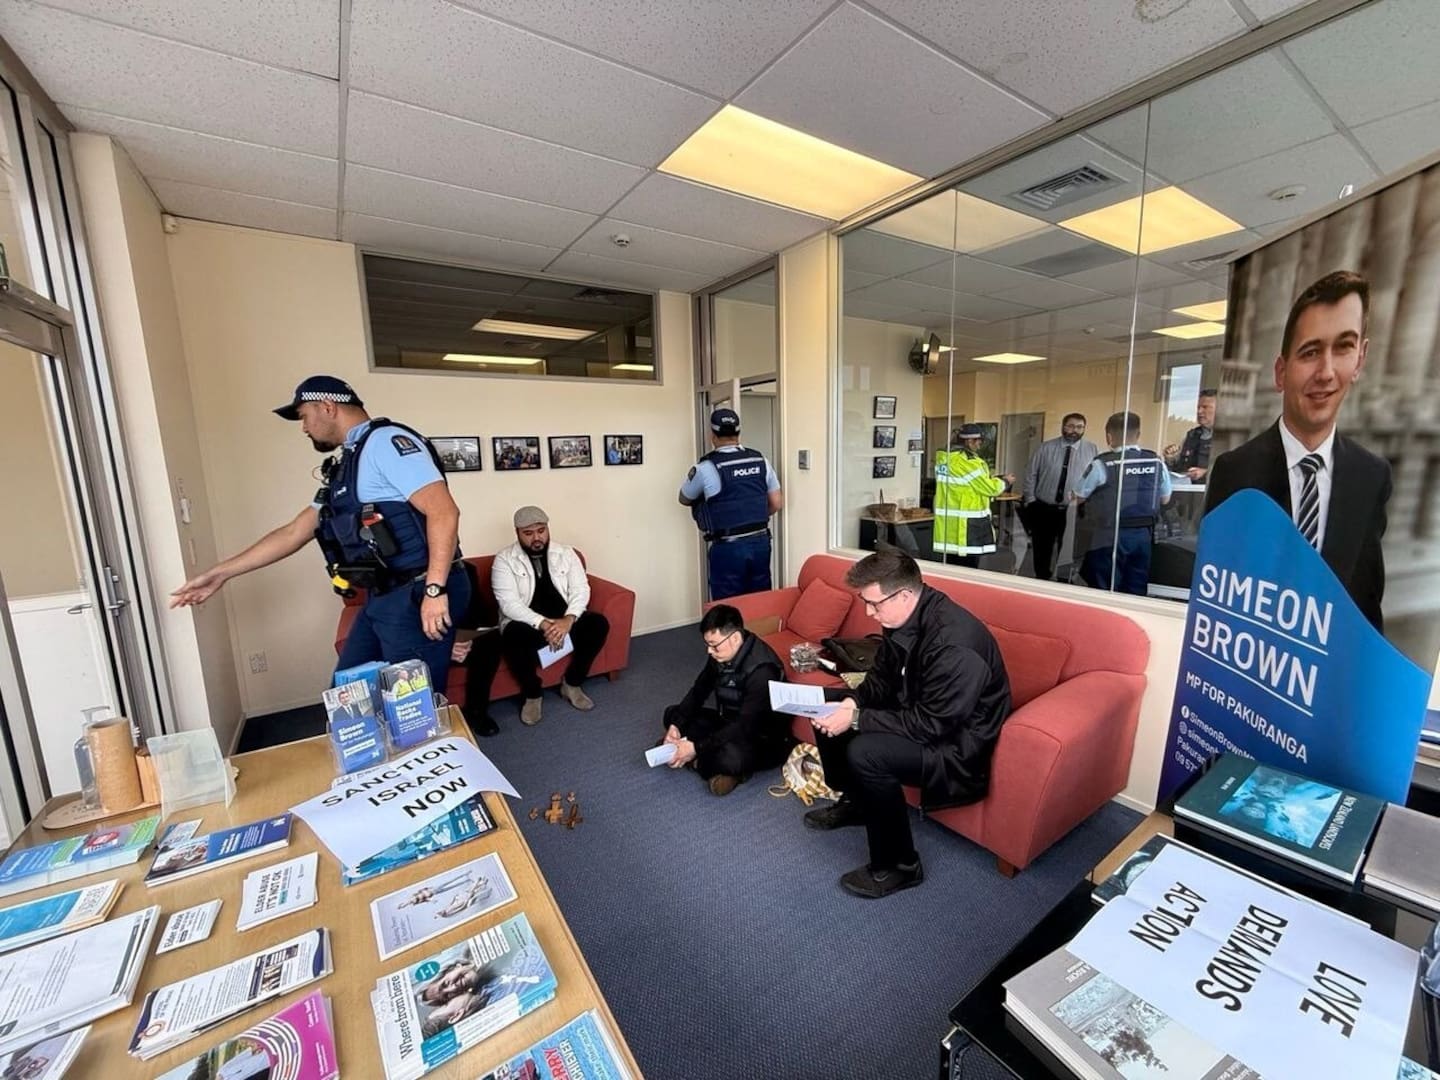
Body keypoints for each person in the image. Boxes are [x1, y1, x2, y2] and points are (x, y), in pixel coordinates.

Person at [170, 375, 469, 690]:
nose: (303, 427)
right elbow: (294, 532)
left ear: (327, 406)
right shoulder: (347, 466)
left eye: (303, 416)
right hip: (384, 594)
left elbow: (444, 511)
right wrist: (220, 574)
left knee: (412, 706)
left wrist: (434, 591)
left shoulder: (385, 443)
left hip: (419, 591)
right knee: (349, 696)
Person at [803, 551, 1011, 899]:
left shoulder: (954, 644)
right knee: (831, 705)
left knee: (865, 751)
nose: (868, 612)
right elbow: (881, 680)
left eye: (873, 604)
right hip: (920, 714)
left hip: (955, 745)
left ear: (902, 595)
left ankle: (900, 866)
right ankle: (857, 803)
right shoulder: (901, 618)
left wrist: (856, 718)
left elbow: (933, 725)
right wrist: (852, 703)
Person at [1204, 270, 1390, 630]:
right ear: (1281, 372)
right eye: (1310, 352)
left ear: (1360, 359)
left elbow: (1366, 601)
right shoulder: (1234, 471)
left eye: (1344, 347)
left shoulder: (1372, 476)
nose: (1326, 372)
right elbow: (1217, 592)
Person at [658, 604, 795, 796]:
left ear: (735, 638)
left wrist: (696, 747)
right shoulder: (720, 654)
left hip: (762, 738)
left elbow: (744, 726)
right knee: (672, 714)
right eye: (707, 645)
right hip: (729, 720)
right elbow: (699, 690)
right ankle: (692, 755)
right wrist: (676, 726)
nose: (709, 651)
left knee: (730, 757)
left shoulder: (763, 671)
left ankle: (722, 768)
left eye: (714, 645)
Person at [492, 506, 610, 726]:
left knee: (597, 623)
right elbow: (509, 604)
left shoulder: (566, 553)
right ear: (517, 532)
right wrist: (544, 624)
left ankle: (572, 683)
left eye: (541, 530)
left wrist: (569, 620)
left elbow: (580, 590)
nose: (537, 537)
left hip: (564, 620)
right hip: (529, 624)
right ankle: (532, 694)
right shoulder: (504, 559)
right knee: (512, 635)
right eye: (529, 533)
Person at [679, 407, 783, 600]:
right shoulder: (760, 460)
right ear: (738, 432)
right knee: (760, 600)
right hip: (760, 542)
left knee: (728, 605)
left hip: (728, 547)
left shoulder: (706, 467)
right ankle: (756, 631)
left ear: (713, 435)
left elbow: (684, 498)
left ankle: (731, 632)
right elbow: (776, 502)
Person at [1075, 411, 1171, 595]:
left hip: (1110, 535)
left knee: (1105, 587)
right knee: (1136, 586)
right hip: (1143, 536)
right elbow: (1165, 498)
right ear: (1138, 435)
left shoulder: (1102, 464)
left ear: (1109, 436)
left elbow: (1078, 496)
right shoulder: (1156, 461)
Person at [1020, 413, 1098, 581]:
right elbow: (1030, 474)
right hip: (1043, 507)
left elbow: (1094, 480)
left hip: (1073, 510)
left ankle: (1064, 581)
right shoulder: (1045, 448)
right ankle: (1041, 578)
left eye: (1079, 427)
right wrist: (1031, 500)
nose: (1074, 430)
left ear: (1084, 429)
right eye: (1070, 426)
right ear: (1063, 427)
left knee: (1068, 550)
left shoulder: (1092, 450)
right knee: (1042, 548)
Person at [933, 423, 1014, 569]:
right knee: (968, 569)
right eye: (979, 441)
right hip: (968, 526)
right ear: (969, 441)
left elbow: (966, 483)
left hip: (948, 526)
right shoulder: (970, 462)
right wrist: (1005, 481)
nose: (980, 444)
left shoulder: (943, 458)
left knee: (952, 568)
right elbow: (991, 488)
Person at [1164, 388, 1217, 482]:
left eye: (1205, 407)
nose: (1199, 411)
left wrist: (1205, 473)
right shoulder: (1192, 435)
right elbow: (1181, 469)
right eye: (1198, 407)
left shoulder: (1231, 437)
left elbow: (1236, 470)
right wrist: (1171, 460)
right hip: (1189, 492)